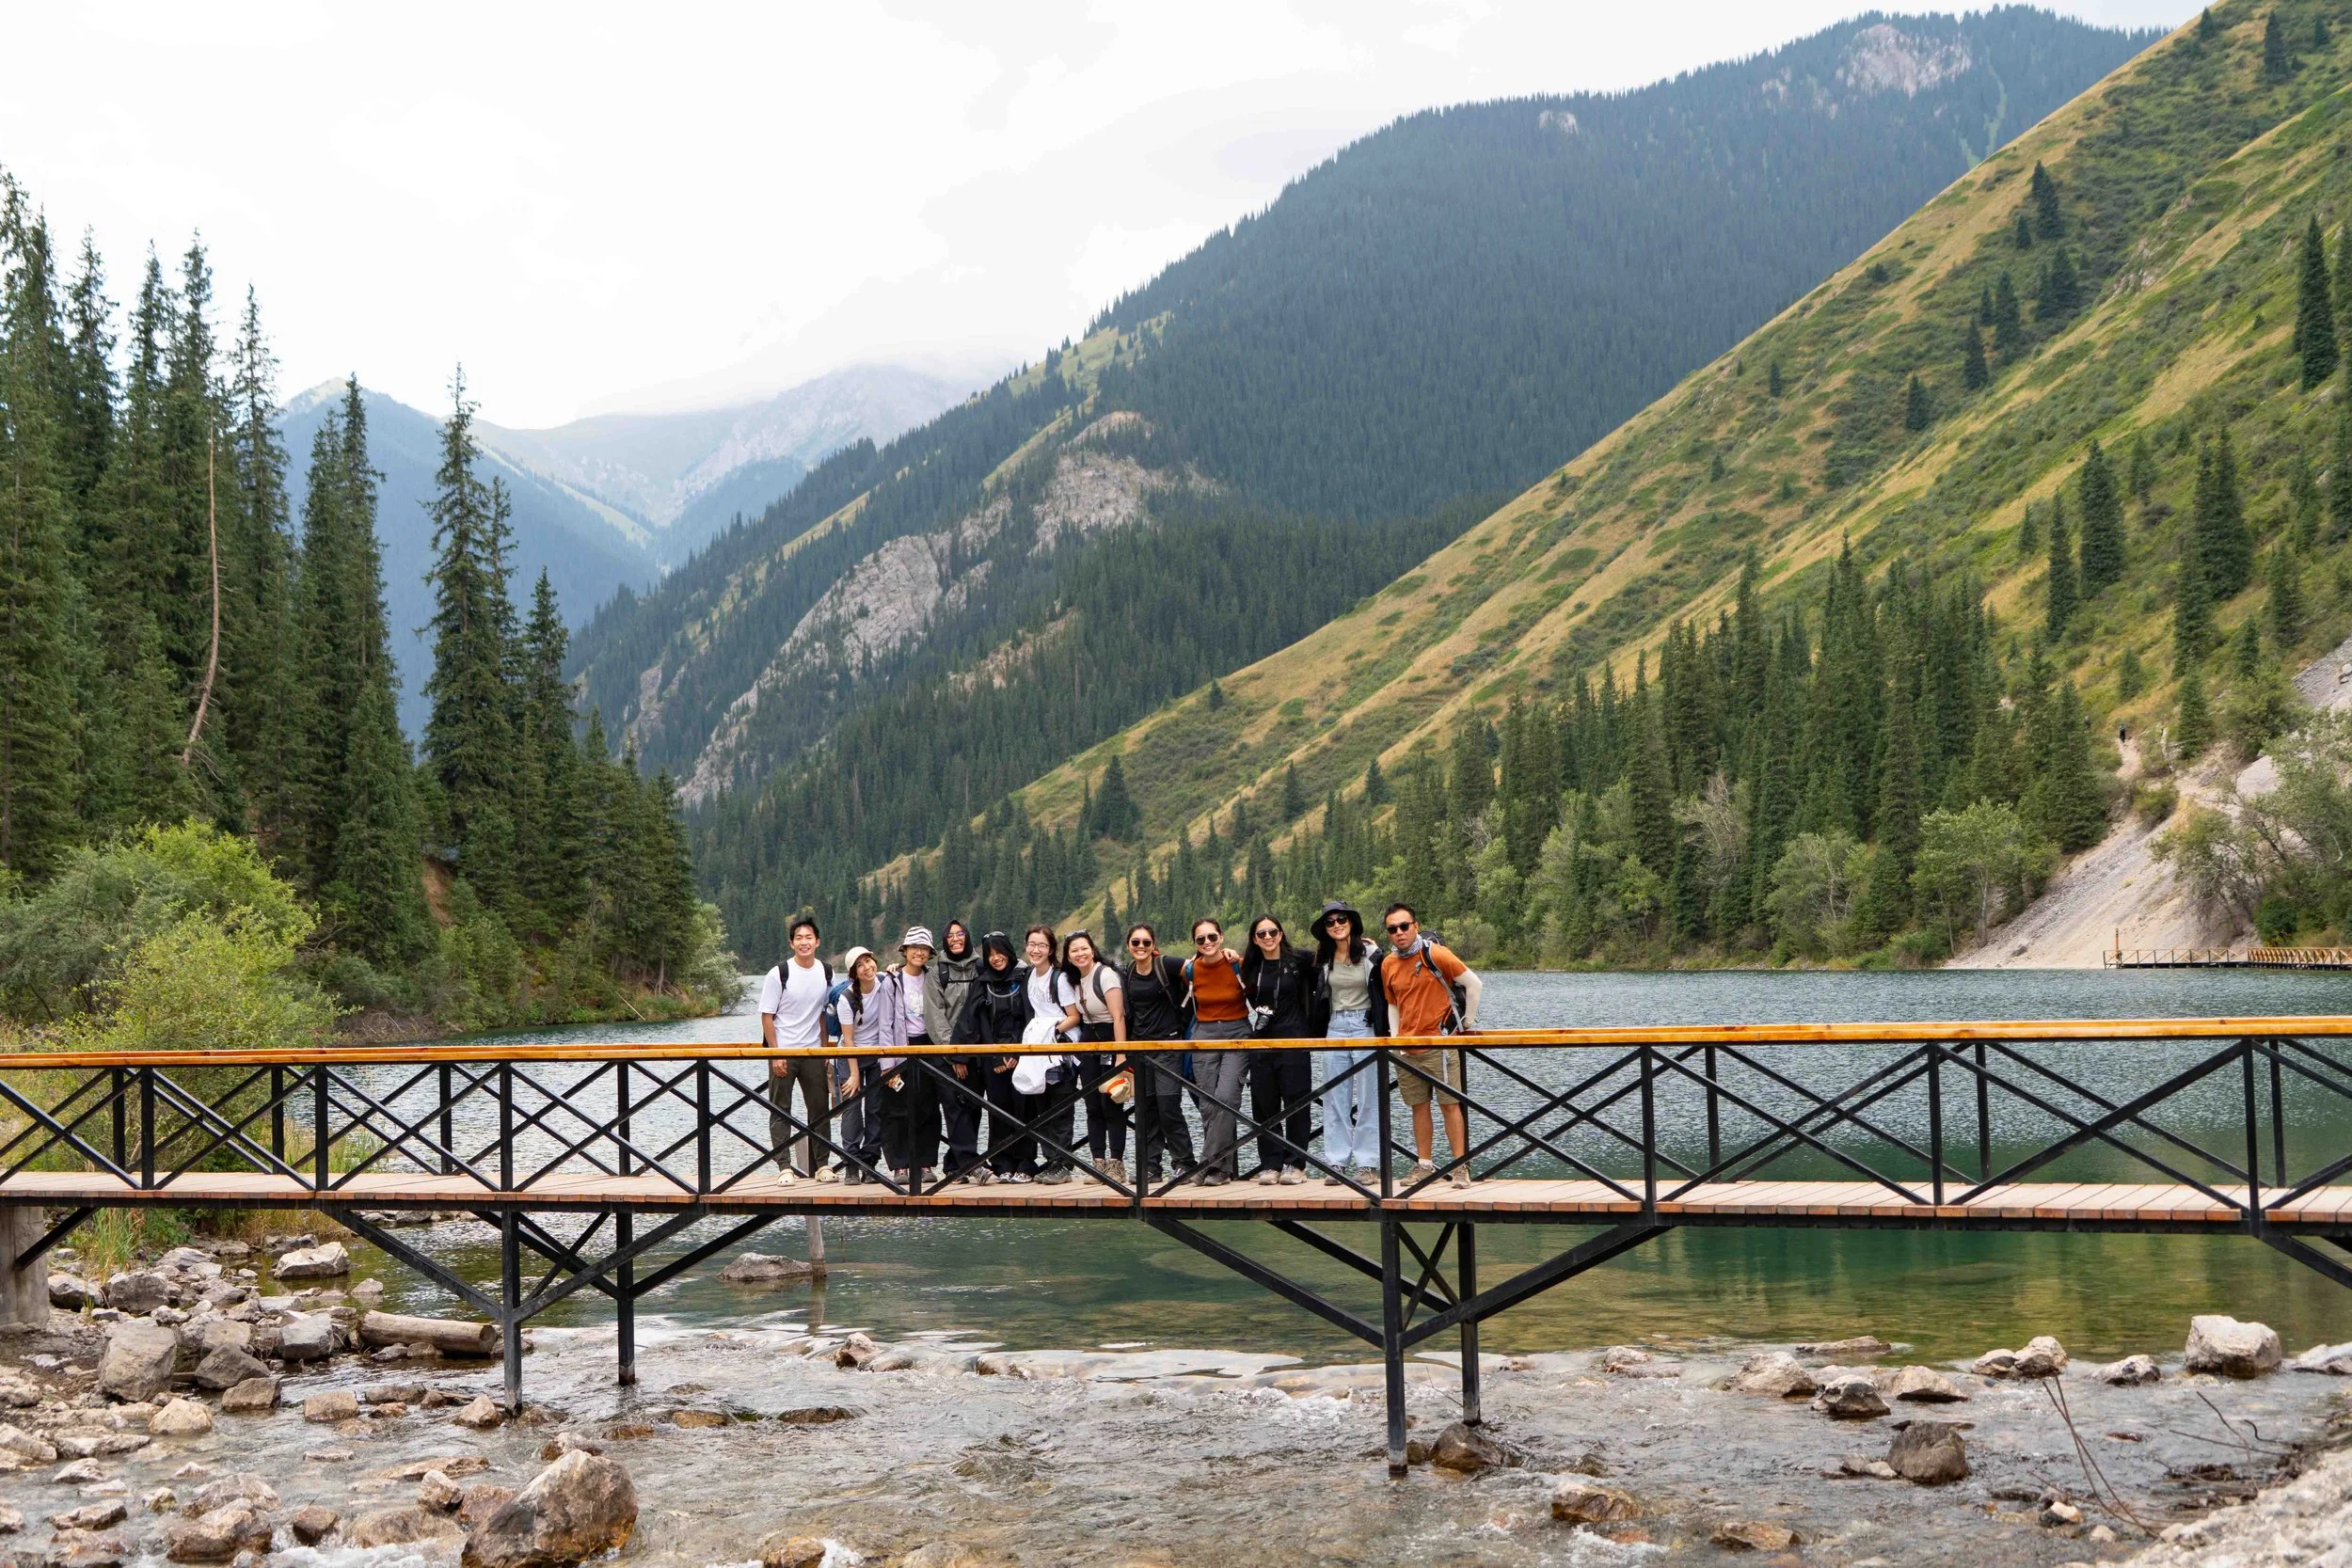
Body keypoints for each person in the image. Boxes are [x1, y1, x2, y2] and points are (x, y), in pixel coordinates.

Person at [1379, 902, 1483, 1189]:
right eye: (1392, 928)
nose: (1399, 932)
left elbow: (1474, 984)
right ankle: (1424, 1165)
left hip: (1439, 1043)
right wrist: (1397, 1037)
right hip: (1408, 1048)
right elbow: (1392, 1003)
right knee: (1418, 1106)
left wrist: (1468, 1024)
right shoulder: (1388, 964)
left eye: (1404, 926)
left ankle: (1460, 1167)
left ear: (1415, 925)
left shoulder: (1436, 954)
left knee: (1450, 1105)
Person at [1308, 900, 1389, 1184]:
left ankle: (1367, 1164)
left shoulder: (1371, 953)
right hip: (1335, 1028)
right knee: (1335, 1098)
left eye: (1341, 919)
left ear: (1351, 922)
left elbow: (1392, 980)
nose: (1336, 925)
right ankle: (1336, 1162)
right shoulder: (1323, 958)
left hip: (1365, 1027)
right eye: (1330, 922)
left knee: (1369, 1098)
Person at [954, 932, 1039, 1182]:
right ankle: (1001, 1162)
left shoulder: (1024, 978)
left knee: (1025, 1109)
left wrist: (1016, 1052)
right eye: (990, 954)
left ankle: (1025, 1162)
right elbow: (971, 1020)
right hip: (992, 1057)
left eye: (999, 952)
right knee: (998, 1109)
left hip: (1022, 1053)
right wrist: (965, 1055)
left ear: (1009, 952)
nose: (995, 958)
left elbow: (1031, 1017)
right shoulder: (983, 982)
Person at [1120, 925, 1198, 1185]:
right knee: (1146, 1110)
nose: (1140, 947)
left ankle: (1185, 1163)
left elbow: (1197, 966)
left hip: (1168, 1046)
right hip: (1141, 1050)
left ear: (1154, 945)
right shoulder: (1128, 972)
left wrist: (1231, 957)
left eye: (1145, 942)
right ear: (1129, 945)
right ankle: (1151, 1167)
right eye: (1135, 942)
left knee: (1168, 1106)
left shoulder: (1165, 964)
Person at [758, 916, 834, 1182]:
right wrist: (776, 1053)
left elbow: (823, 1014)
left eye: (809, 937)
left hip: (813, 1051)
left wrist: (826, 1051)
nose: (804, 942)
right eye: (799, 938)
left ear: (817, 942)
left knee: (819, 1108)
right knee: (781, 1109)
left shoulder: (826, 971)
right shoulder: (779, 973)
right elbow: (767, 1016)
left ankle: (823, 1165)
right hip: (784, 1051)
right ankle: (784, 1167)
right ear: (792, 943)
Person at [1242, 914, 1315, 1185]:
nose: (1268, 937)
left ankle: (1295, 1164)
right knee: (1264, 1105)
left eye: (1272, 932)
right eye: (1261, 934)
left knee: (1296, 1103)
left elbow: (1331, 960)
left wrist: (1363, 947)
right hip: (1261, 1042)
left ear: (1281, 934)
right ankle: (1270, 1163)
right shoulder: (1250, 966)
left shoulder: (1300, 960)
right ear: (1254, 939)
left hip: (1294, 1040)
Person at [869, 927, 940, 1189]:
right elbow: (885, 1024)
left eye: (924, 948)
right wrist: (888, 1064)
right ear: (905, 951)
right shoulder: (892, 981)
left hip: (929, 1046)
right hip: (901, 1045)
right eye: (914, 948)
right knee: (897, 1108)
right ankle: (900, 1163)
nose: (919, 952)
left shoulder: (933, 978)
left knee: (928, 1106)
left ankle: (925, 1162)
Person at [1184, 918, 1252, 1187]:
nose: (1207, 943)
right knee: (1208, 1105)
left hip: (1237, 1032)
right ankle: (1221, 1170)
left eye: (1211, 937)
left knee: (1227, 1097)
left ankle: (1204, 1165)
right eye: (1201, 940)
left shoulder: (1238, 964)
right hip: (1204, 1033)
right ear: (1195, 944)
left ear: (1221, 937)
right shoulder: (1190, 970)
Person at [1062, 930, 1129, 1184]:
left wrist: (1121, 1054)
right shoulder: (1075, 979)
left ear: (1093, 949)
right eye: (1074, 951)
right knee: (1092, 1105)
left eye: (1083, 949)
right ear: (1068, 957)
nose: (1080, 954)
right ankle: (1098, 1163)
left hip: (1111, 1038)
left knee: (1111, 1104)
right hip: (1089, 1041)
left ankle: (1117, 1164)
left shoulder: (1106, 975)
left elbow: (1118, 1017)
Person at [1021, 926, 1084, 1184]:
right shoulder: (1028, 975)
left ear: (1051, 949)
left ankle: (1063, 1164)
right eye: (1032, 944)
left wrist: (1054, 1031)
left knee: (1060, 1106)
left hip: (1060, 1049)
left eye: (1042, 946)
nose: (1036, 950)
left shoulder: (1059, 978)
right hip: (1038, 1048)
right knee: (1041, 1106)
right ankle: (1050, 1160)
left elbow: (1074, 1016)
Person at [825, 946, 889, 1183]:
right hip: (849, 1056)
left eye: (869, 961)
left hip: (875, 1056)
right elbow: (848, 1040)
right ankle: (851, 1163)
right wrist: (853, 1074)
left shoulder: (884, 984)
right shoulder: (846, 998)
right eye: (860, 965)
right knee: (851, 1109)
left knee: (875, 1109)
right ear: (853, 973)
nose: (867, 967)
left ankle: (869, 1163)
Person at [926, 921, 985, 1180]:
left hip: (978, 1050)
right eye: (950, 935)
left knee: (974, 1106)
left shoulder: (980, 966)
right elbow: (935, 1016)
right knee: (954, 1106)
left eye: (960, 934)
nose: (956, 939)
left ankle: (954, 1165)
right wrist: (954, 1054)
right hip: (947, 1052)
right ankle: (972, 1164)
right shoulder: (937, 972)